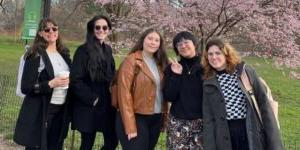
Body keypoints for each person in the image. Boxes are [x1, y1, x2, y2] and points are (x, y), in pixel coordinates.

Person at [201, 38, 283, 150]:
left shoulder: (245, 72)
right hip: (225, 137)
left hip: (250, 132)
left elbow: (264, 106)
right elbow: (208, 119)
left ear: (226, 54)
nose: (214, 57)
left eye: (218, 53)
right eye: (210, 54)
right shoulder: (208, 81)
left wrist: (274, 144)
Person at [14, 18, 71, 150]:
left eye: (54, 28)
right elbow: (26, 87)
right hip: (42, 111)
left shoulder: (64, 53)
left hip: (61, 111)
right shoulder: (34, 55)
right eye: (47, 29)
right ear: (40, 33)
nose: (51, 31)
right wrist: (50, 84)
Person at [115, 28, 169, 150]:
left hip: (156, 117)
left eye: (156, 40)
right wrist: (130, 126)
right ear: (143, 40)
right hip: (136, 117)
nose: (153, 42)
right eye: (150, 38)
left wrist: (164, 118)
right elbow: (124, 93)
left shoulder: (161, 63)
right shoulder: (131, 60)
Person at [70, 15, 118, 150]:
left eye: (105, 27)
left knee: (112, 141)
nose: (101, 30)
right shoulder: (82, 51)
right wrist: (92, 99)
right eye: (97, 27)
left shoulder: (108, 50)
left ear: (108, 30)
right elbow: (75, 79)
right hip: (89, 105)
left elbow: (112, 74)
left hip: (107, 105)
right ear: (92, 29)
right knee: (87, 144)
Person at [163, 31, 204, 150]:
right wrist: (176, 76)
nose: (183, 46)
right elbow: (169, 96)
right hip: (178, 122)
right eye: (179, 44)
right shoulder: (172, 68)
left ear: (194, 44)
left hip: (201, 122)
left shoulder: (206, 66)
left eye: (186, 42)